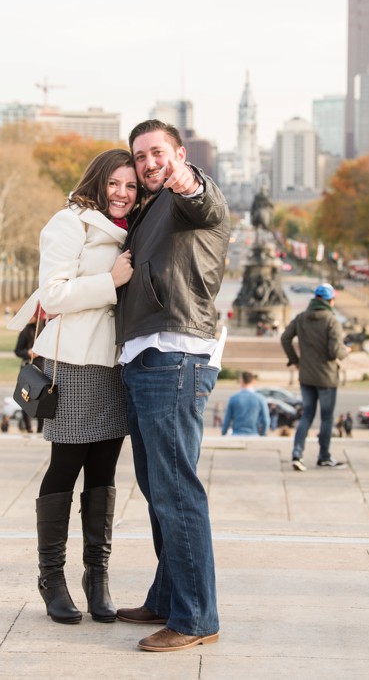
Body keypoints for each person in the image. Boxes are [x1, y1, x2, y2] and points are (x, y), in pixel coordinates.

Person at [5, 149, 137, 624]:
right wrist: (110, 280)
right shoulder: (70, 223)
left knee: (104, 472)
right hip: (77, 361)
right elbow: (53, 294)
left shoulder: (133, 228)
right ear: (98, 181)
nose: (122, 193)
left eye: (131, 186)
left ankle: (96, 576)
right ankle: (51, 577)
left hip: (117, 364)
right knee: (66, 465)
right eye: (115, 183)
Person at [113, 120, 230, 652]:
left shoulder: (188, 195)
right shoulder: (149, 211)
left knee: (177, 488)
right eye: (140, 156)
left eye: (158, 152)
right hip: (145, 355)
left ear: (179, 154)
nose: (148, 163)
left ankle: (196, 617)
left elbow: (203, 201)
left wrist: (187, 179)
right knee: (159, 486)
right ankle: (167, 595)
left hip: (175, 353)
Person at [280, 283, 349, 471]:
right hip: (327, 377)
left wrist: (294, 360)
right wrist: (346, 351)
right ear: (330, 300)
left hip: (306, 375)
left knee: (307, 416)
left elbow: (285, 338)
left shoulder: (301, 317)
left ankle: (297, 454)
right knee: (326, 418)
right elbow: (335, 351)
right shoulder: (332, 321)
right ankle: (324, 456)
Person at [221, 371, 269, 436]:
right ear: (253, 381)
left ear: (241, 381)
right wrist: (262, 434)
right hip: (254, 435)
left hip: (236, 435)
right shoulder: (260, 399)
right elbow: (266, 421)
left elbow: (227, 420)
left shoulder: (233, 398)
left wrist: (223, 432)